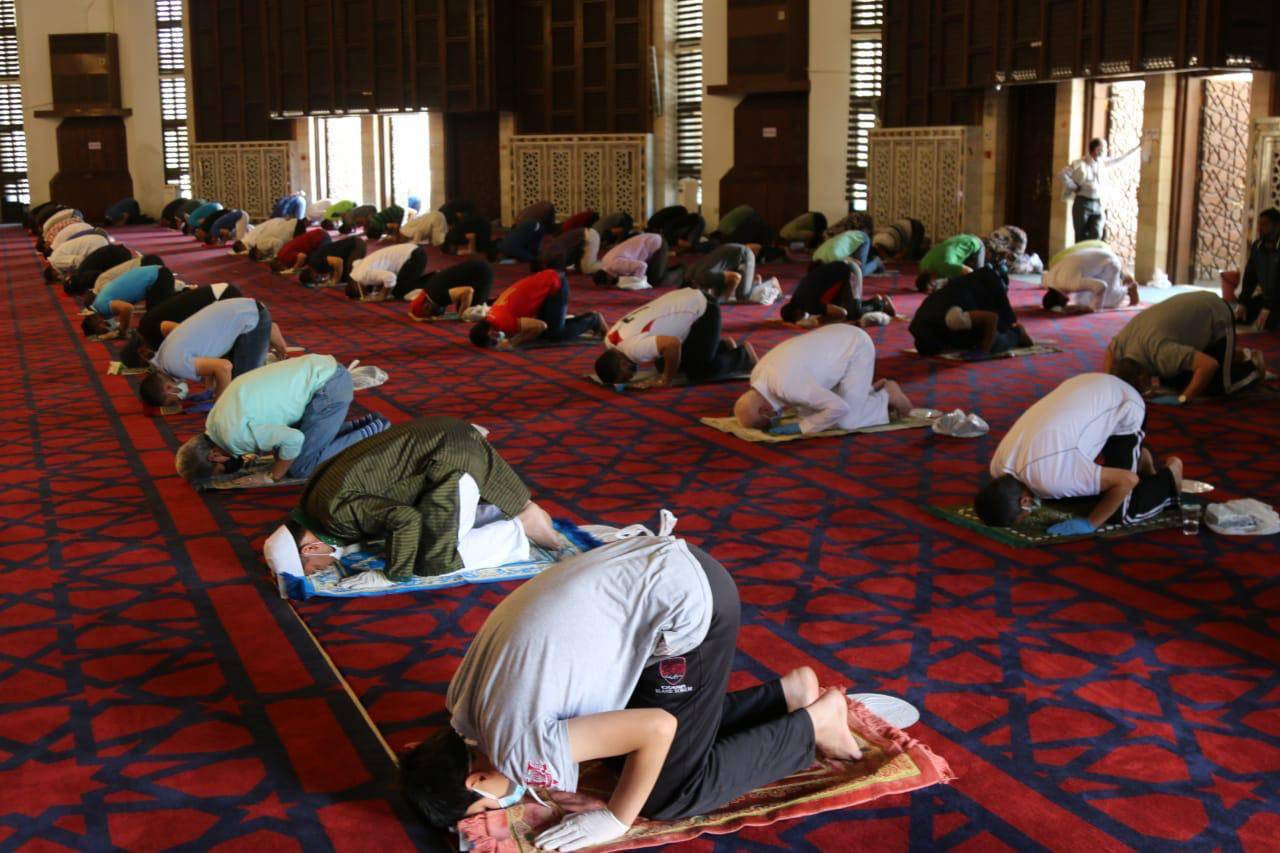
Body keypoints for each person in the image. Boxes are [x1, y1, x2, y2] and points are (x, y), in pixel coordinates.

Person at [401, 534, 859, 843]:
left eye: (484, 809)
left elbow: (658, 727)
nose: (501, 810)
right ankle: (785, 696)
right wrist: (550, 772)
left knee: (670, 794)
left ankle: (816, 722)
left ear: (477, 780)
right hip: (647, 567)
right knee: (622, 758)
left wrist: (616, 819)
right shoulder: (461, 705)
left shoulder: (521, 750)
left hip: (689, 602)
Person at [263, 416, 566, 580]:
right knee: (418, 535)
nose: (323, 570)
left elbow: (405, 519)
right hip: (439, 438)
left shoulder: (335, 515)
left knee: (434, 560)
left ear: (311, 547)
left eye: (315, 568)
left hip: (449, 461)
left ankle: (520, 526)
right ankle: (503, 511)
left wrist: (394, 573)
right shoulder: (312, 503)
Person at [974, 373, 1182, 536]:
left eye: (1023, 517)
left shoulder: (1051, 480)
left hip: (1123, 403)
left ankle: (1170, 476)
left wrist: (1091, 523)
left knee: (1121, 513)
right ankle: (1138, 458)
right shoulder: (997, 467)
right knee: (1067, 496)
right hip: (1084, 386)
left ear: (1025, 502)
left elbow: (1128, 480)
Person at [175, 353, 381, 484]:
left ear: (214, 456)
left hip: (329, 387)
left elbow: (294, 439)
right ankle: (366, 426)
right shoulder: (213, 422)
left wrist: (274, 476)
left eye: (220, 470)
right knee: (290, 456)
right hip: (320, 370)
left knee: (301, 467)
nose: (226, 470)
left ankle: (377, 431)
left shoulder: (235, 437)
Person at [734, 325, 913, 436]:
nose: (771, 420)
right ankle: (868, 393)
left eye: (764, 421)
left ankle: (887, 395)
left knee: (846, 421)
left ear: (764, 410)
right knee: (811, 413)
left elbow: (839, 408)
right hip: (836, 339)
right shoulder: (756, 375)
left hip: (856, 347)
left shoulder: (789, 388)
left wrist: (801, 428)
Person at [1105, 291, 1262, 403]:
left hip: (1217, 314)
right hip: (1188, 322)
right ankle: (1234, 356)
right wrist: (1107, 382)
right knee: (1174, 380)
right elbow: (1110, 350)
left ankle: (1253, 365)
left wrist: (1183, 399)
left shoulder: (1162, 353)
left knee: (1220, 387)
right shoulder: (1123, 346)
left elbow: (1209, 365)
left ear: (1142, 377)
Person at [140, 297, 288, 406]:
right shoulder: (163, 358)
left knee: (243, 388)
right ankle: (265, 333)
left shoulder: (176, 366)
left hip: (251, 317)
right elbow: (207, 358)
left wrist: (220, 404)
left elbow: (223, 367)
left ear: (168, 388)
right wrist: (214, 389)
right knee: (229, 382)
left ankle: (266, 330)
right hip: (241, 309)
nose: (179, 401)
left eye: (173, 401)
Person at [595, 288, 756, 388]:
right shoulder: (609, 340)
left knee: (699, 372)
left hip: (704, 309)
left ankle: (743, 355)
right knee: (664, 364)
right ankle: (722, 347)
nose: (630, 378)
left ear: (623, 364)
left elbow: (672, 344)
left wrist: (666, 379)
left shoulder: (634, 350)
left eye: (625, 377)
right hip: (685, 299)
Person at [908, 267, 1030, 356]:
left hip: (985, 286)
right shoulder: (919, 322)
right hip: (963, 292)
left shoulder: (952, 319)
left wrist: (984, 352)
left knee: (993, 343)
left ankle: (1017, 333)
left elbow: (992, 318)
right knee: (965, 340)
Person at [469, 269, 605, 349]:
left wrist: (513, 342)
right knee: (542, 331)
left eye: (492, 340)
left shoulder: (502, 322)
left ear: (489, 332)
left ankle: (592, 320)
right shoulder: (492, 315)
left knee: (554, 334)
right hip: (547, 281)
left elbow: (541, 326)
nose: (496, 340)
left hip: (555, 285)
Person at [121, 282, 244, 368]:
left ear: (141, 351)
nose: (150, 361)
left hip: (223, 297)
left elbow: (179, 330)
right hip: (220, 295)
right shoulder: (146, 330)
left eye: (145, 362)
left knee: (224, 355)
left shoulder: (148, 329)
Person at [1061, 137, 1140, 243]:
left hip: (1099, 203)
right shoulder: (1080, 163)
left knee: (1097, 233)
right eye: (1104, 148)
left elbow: (1120, 159)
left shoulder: (1103, 162)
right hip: (1082, 203)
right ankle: (1082, 253)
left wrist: (1137, 147)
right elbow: (1063, 174)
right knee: (1080, 235)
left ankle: (1093, 253)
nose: (1106, 150)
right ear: (1097, 150)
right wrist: (1073, 186)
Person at [779, 260, 894, 326]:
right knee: (845, 306)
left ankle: (881, 303)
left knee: (853, 314)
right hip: (842, 273)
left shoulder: (809, 305)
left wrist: (820, 321)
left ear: (797, 313)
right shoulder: (797, 297)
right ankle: (875, 301)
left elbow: (842, 313)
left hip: (850, 272)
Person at [80, 259, 174, 338]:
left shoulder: (102, 307)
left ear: (94, 322)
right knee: (152, 319)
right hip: (156, 273)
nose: (105, 330)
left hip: (158, 277)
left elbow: (127, 308)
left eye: (100, 330)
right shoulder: (99, 305)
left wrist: (122, 332)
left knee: (154, 320)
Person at [1221, 207, 1280, 330]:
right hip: (1267, 299)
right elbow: (1249, 278)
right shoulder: (1257, 247)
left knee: (1270, 322)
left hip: (1276, 300)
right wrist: (1243, 302)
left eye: (1264, 225)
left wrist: (1268, 307)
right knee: (1242, 316)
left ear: (1277, 226)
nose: (1259, 229)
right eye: (1259, 224)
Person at [1041, 245, 1138, 313]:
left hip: (1109, 262)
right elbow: (1044, 273)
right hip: (1096, 257)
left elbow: (1101, 286)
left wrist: (1092, 308)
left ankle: (1130, 287)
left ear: (1061, 299)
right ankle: (1120, 277)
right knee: (1081, 301)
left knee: (1108, 301)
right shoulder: (1047, 281)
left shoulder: (1071, 283)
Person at [407, 258, 494, 320]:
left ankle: (496, 306)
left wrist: (461, 315)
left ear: (426, 306)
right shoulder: (428, 291)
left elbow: (468, 291)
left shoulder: (438, 297)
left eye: (428, 315)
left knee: (471, 313)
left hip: (481, 274)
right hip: (475, 269)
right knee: (464, 306)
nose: (431, 316)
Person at [348, 242, 429, 300]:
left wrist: (382, 295)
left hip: (415, 257)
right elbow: (356, 262)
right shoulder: (355, 271)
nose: (367, 294)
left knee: (399, 292)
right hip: (411, 249)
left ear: (357, 288)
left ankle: (432, 281)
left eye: (363, 293)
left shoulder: (363, 276)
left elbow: (391, 278)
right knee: (393, 287)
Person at [593, 233, 672, 288]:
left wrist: (635, 283)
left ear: (608, 278)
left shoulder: (616, 265)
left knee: (655, 281)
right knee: (648, 277)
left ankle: (678, 273)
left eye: (608, 285)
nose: (611, 286)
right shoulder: (605, 262)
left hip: (658, 244)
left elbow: (642, 266)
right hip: (650, 241)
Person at [684, 243, 757, 302]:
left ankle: (757, 283)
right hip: (728, 253)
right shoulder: (689, 274)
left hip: (744, 255)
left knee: (742, 296)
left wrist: (723, 300)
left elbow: (736, 277)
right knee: (717, 294)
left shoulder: (704, 277)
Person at [914, 234, 986, 292]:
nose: (934, 287)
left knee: (978, 279)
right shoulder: (923, 264)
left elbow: (970, 272)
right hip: (960, 239)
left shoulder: (947, 266)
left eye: (932, 286)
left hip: (975, 243)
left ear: (932, 279)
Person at [63, 243, 135, 296]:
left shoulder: (84, 277)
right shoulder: (81, 274)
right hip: (118, 252)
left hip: (119, 256)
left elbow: (102, 277)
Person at [297, 235, 368, 287]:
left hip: (356, 245)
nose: (317, 279)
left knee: (352, 275)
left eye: (315, 278)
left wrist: (335, 280)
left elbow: (338, 261)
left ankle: (368, 283)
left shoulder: (316, 262)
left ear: (311, 274)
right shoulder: (314, 264)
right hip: (349, 250)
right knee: (344, 278)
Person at [45, 230, 110, 281]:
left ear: (53, 273)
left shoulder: (56, 262)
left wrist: (78, 276)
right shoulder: (54, 256)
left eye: (56, 278)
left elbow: (79, 260)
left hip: (97, 246)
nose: (59, 277)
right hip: (98, 239)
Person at [811, 229, 880, 274]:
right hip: (850, 237)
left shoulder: (836, 257)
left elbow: (857, 263)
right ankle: (868, 260)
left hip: (862, 239)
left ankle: (877, 262)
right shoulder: (815, 256)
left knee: (859, 271)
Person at [235, 217, 304, 260]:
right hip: (293, 225)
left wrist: (276, 256)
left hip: (293, 228)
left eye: (259, 257)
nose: (261, 257)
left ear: (256, 253)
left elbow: (278, 243)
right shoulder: (260, 244)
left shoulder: (260, 245)